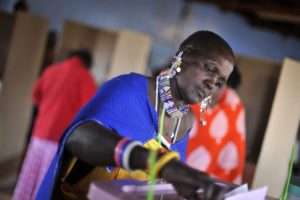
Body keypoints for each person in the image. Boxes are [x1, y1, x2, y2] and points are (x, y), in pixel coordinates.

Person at [36, 30, 235, 200]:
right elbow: (78, 137)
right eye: (209, 68)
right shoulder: (130, 88)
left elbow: (158, 188)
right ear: (184, 55)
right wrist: (158, 164)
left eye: (220, 82)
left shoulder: (187, 121)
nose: (212, 83)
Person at [13, 49, 97, 200]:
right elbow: (90, 111)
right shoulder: (85, 77)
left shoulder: (51, 70)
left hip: (40, 133)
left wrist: (47, 110)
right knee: (47, 182)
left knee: (29, 176)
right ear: (87, 64)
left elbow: (36, 94)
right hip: (60, 139)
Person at [186, 67, 246, 184]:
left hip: (217, 179)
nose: (213, 88)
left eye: (220, 84)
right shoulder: (190, 97)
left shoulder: (234, 106)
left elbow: (236, 145)